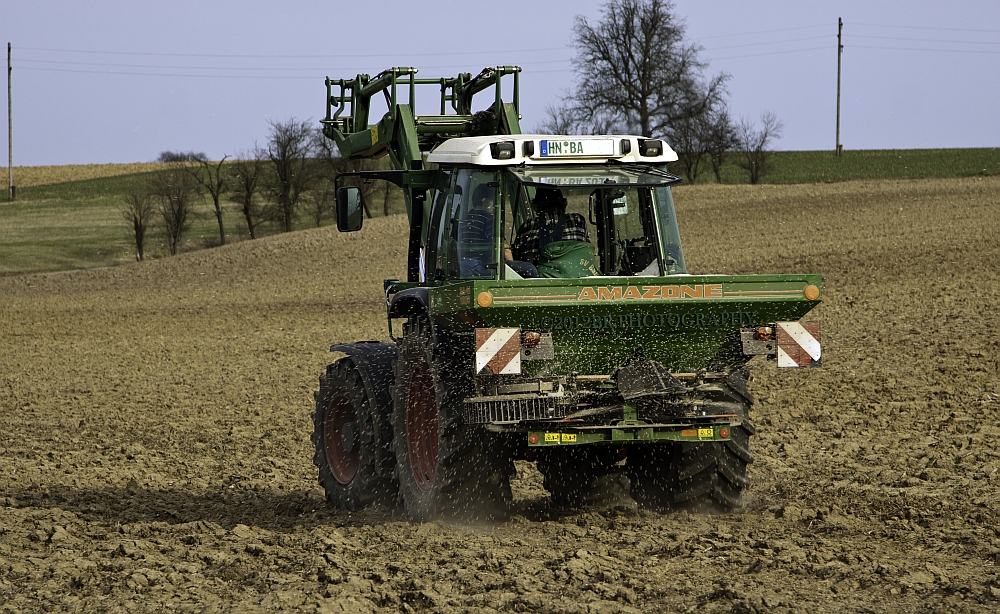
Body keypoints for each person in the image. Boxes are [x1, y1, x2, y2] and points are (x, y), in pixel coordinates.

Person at [511, 187, 598, 277]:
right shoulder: (577, 220)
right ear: (563, 203)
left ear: (535, 205)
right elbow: (585, 250)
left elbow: (516, 258)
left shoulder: (528, 225)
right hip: (576, 278)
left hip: (540, 283)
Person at [459, 184, 538, 278]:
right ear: (487, 202)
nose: (496, 207)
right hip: (481, 266)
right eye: (495, 203)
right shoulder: (490, 220)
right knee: (530, 269)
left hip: (463, 267)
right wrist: (512, 272)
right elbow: (505, 250)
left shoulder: (463, 220)